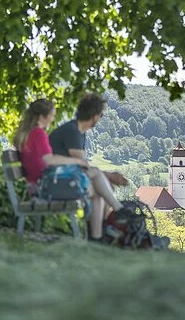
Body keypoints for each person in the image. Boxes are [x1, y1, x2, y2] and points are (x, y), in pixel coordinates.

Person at [48, 93, 129, 241]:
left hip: (64, 178)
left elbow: (83, 166)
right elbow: (84, 166)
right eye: (100, 114)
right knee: (101, 181)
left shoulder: (78, 131)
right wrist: (109, 175)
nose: (100, 118)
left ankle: (98, 237)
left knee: (100, 192)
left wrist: (109, 177)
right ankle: (119, 211)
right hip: (56, 181)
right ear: (94, 116)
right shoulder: (72, 131)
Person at [13, 99, 88, 192]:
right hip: (46, 183)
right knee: (95, 177)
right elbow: (49, 160)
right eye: (52, 115)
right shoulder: (38, 133)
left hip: (36, 182)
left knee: (95, 182)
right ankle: (112, 204)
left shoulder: (25, 134)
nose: (53, 119)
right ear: (42, 117)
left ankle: (112, 204)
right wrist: (78, 161)